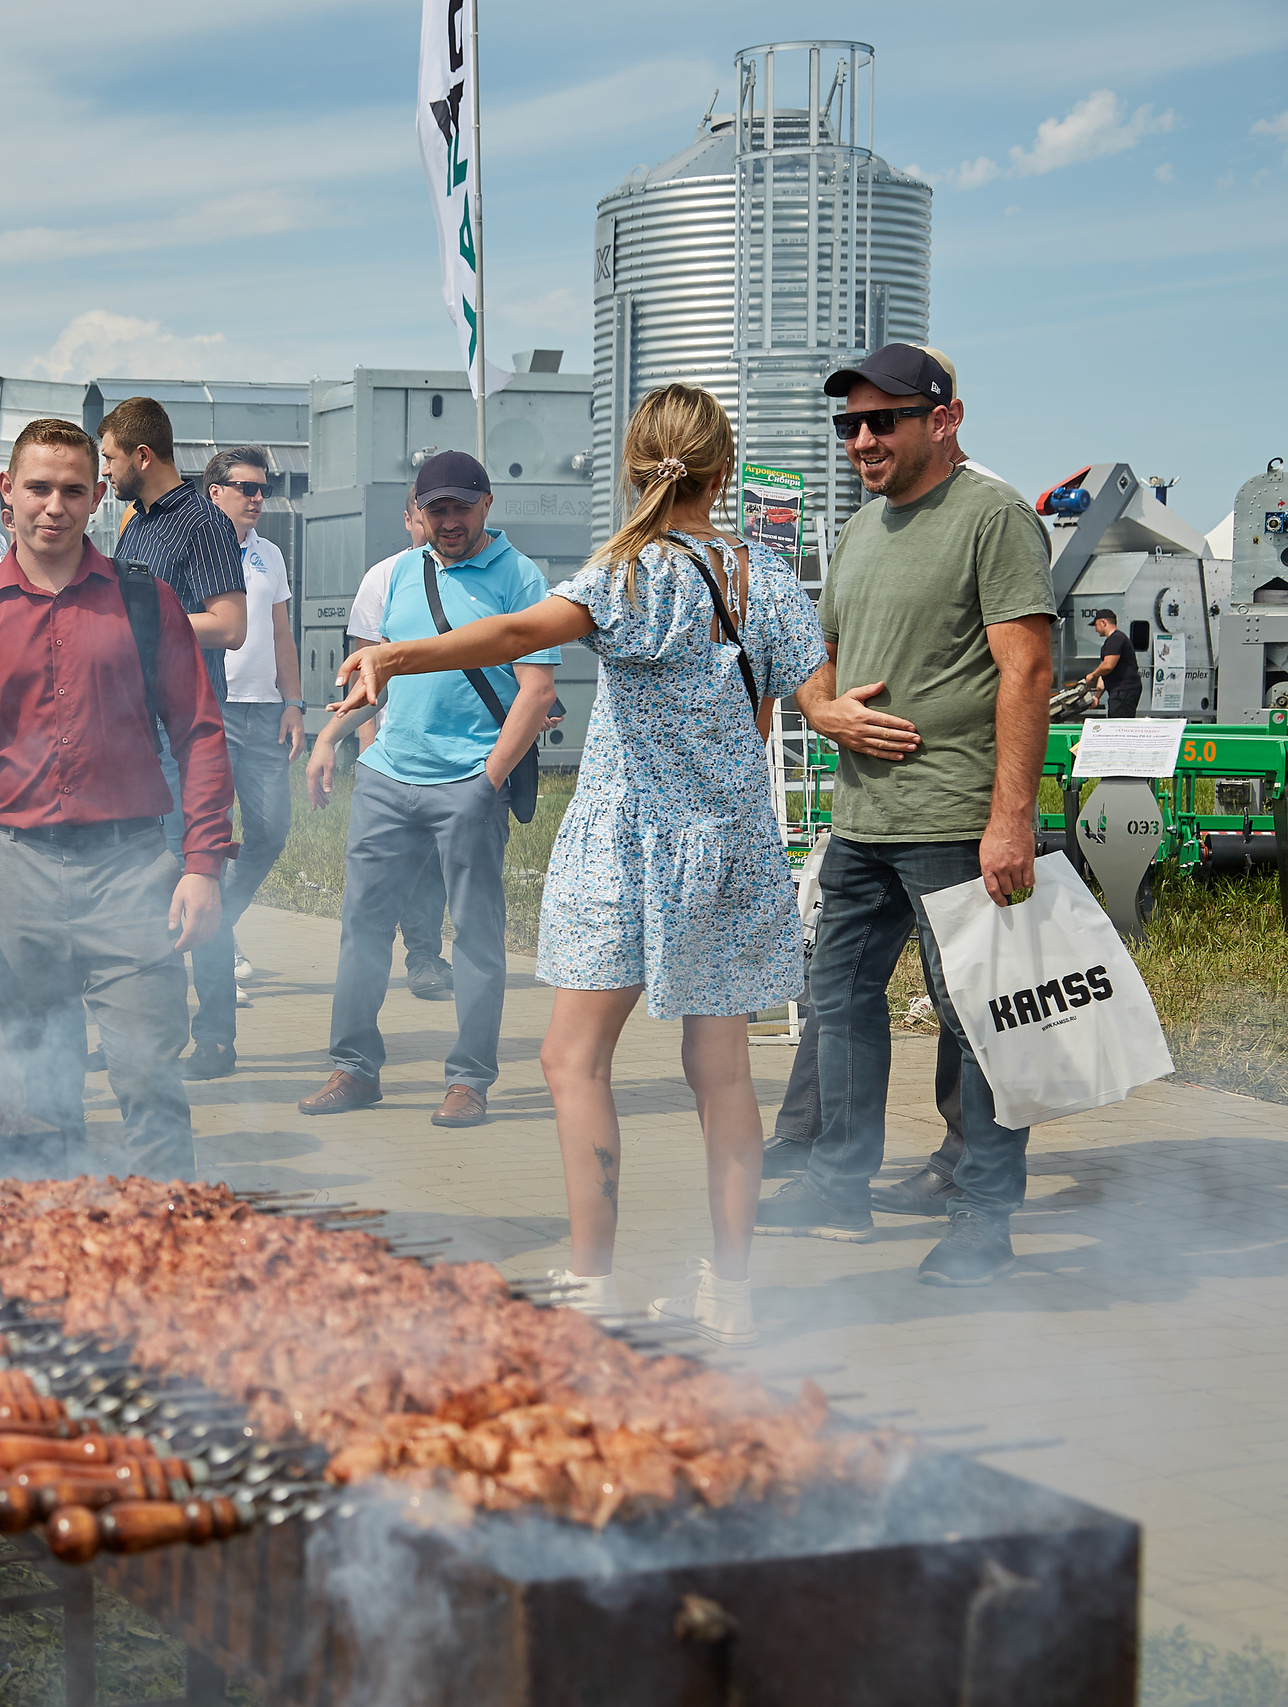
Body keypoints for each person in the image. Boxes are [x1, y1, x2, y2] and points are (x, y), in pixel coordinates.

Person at [340, 386, 828, 1344]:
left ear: (635, 467)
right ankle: (731, 1293)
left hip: (626, 838)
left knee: (571, 1058)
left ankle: (592, 1279)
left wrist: (400, 656)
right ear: (724, 469)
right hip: (728, 844)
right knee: (722, 1071)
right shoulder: (762, 574)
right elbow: (796, 699)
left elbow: (523, 634)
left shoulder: (628, 571)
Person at [753, 342, 1055, 1287]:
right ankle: (838, 1184)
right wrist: (819, 708)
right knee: (836, 1005)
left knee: (979, 1021)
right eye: (849, 424)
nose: (862, 439)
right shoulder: (859, 530)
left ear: (945, 419)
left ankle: (983, 1220)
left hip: (957, 820)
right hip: (861, 821)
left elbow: (1029, 670)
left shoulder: (992, 518)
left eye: (884, 419)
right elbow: (825, 662)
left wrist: (1011, 818)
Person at [0, 418, 229, 1178]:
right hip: (14, 869)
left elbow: (200, 734)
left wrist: (202, 864)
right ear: (5, 492)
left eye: (72, 490)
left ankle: (171, 1253)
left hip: (129, 868)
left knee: (150, 1075)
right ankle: (64, 1259)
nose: (53, 506)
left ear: (96, 499)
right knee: (38, 1088)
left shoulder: (144, 602)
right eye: (38, 488)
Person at [296, 452, 557, 1126]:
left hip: (468, 782)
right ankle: (354, 1068)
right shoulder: (399, 575)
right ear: (418, 509)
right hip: (387, 776)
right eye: (435, 508)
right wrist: (329, 739)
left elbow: (537, 694)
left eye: (460, 508)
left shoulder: (522, 578)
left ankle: (469, 1080)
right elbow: (377, 677)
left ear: (486, 504)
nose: (448, 521)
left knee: (475, 937)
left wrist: (487, 781)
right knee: (361, 929)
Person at [98, 397, 247, 1078]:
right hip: (133, 735)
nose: (104, 472)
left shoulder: (205, 523)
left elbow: (231, 624)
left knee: (196, 879)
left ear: (141, 456)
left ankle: (215, 1038)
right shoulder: (134, 525)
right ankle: (136, 1030)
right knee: (136, 886)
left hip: (184, 736)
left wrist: (144, 629)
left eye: (107, 458)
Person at [321, 495, 454, 999]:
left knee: (436, 866)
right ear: (408, 519)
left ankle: (425, 956)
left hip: (459, 754)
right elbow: (364, 680)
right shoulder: (384, 578)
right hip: (394, 750)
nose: (434, 526)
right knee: (391, 874)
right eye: (424, 516)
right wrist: (367, 757)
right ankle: (365, 1000)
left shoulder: (481, 577)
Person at [205, 448, 302, 1005]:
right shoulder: (195, 545)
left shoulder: (270, 555)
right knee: (211, 839)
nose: (258, 498)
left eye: (263, 488)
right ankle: (216, 956)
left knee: (268, 831)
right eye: (246, 487)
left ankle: (217, 926)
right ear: (215, 491)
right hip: (211, 710)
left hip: (265, 711)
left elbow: (281, 634)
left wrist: (294, 702)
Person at [1075, 611, 1141, 719]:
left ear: (1103, 622)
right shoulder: (1110, 642)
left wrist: (1092, 675)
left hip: (1124, 690)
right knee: (1112, 718)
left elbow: (1108, 666)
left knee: (1118, 723)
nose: (1096, 630)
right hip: (1116, 691)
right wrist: (1096, 697)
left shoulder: (1116, 638)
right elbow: (1105, 672)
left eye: (1096, 625)